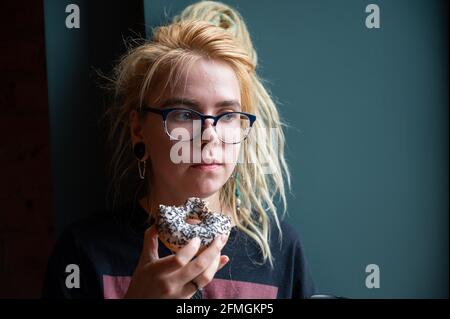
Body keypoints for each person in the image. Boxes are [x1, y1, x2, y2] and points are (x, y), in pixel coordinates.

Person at [42, 1, 316, 299]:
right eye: (184, 114)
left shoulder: (279, 250)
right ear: (139, 130)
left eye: (227, 115)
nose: (209, 135)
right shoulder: (85, 252)